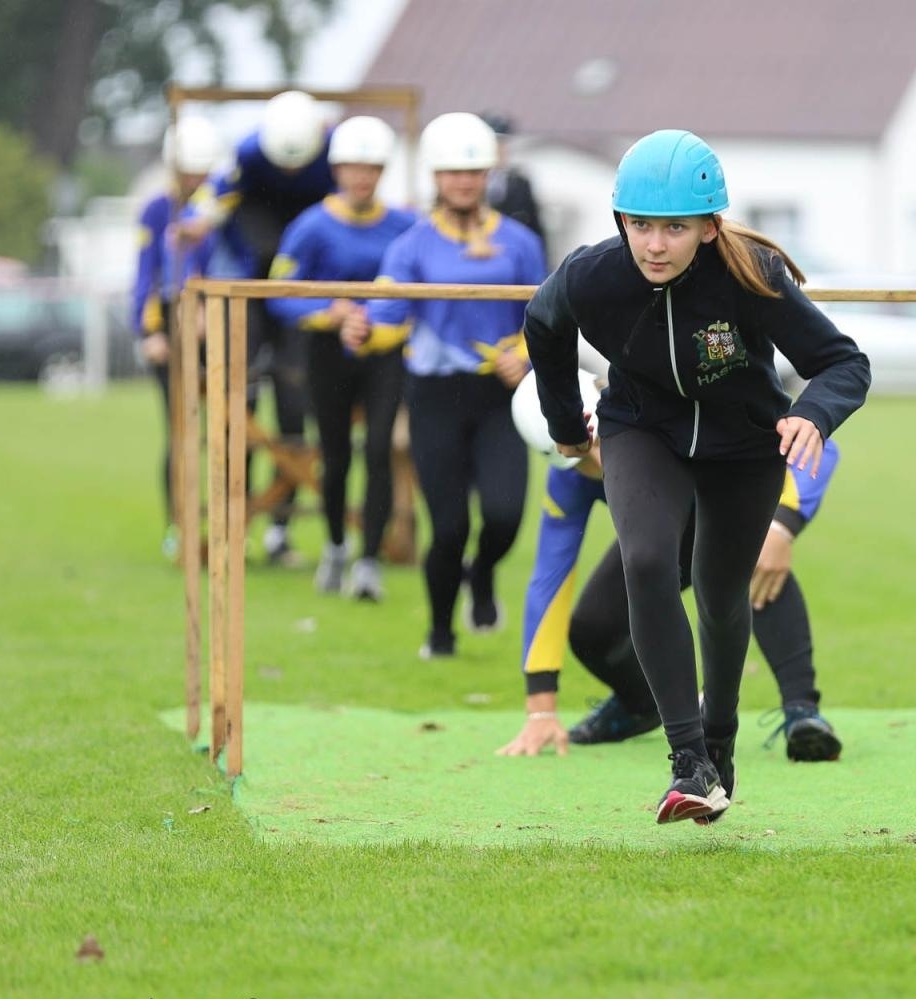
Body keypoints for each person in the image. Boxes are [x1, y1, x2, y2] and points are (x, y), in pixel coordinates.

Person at [523, 129, 870, 825]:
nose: (654, 244)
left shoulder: (754, 274)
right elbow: (543, 325)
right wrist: (566, 426)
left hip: (744, 447)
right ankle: (688, 761)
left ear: (709, 227)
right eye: (640, 225)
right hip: (640, 431)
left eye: (675, 228)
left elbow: (845, 364)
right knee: (646, 559)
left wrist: (812, 415)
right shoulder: (593, 276)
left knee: (718, 595)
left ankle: (721, 742)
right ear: (620, 220)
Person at [499, 392, 846, 766]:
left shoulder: (672, 410)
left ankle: (802, 712)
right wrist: (541, 709)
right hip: (660, 537)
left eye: (601, 442)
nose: (600, 459)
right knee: (591, 627)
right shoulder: (566, 484)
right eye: (584, 456)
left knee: (749, 560)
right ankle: (639, 707)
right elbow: (550, 580)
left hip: (728, 513)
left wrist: (783, 526)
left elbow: (823, 450)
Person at [342, 112, 547, 657]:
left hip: (501, 397)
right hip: (435, 396)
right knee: (449, 526)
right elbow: (385, 322)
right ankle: (439, 633)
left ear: (487, 174)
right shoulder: (410, 247)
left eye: (474, 172)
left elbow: (546, 319)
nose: (464, 181)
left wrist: (522, 355)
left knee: (504, 517)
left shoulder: (521, 242)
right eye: (453, 172)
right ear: (435, 176)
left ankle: (480, 577)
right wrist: (360, 331)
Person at [179, 90, 337, 565]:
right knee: (239, 410)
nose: (289, 173)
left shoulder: (335, 156)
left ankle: (280, 531)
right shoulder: (247, 153)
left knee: (293, 407)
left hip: (297, 291)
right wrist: (196, 223)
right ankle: (234, 525)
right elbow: (212, 196)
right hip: (247, 283)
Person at [268, 115, 418, 602]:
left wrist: (380, 316)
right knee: (333, 455)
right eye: (353, 167)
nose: (362, 177)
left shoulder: (404, 224)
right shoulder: (310, 226)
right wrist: (328, 312)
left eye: (372, 167)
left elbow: (420, 281)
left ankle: (369, 561)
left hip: (384, 351)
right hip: (327, 352)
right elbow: (278, 293)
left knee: (379, 450)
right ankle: (335, 545)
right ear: (336, 169)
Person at [132, 115, 219, 560]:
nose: (194, 179)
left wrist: (209, 307)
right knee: (180, 430)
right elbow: (145, 272)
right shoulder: (156, 210)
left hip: (218, 320)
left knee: (230, 427)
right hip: (169, 324)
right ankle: (177, 522)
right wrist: (150, 332)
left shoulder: (219, 208)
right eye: (188, 170)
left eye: (201, 171)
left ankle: (230, 523)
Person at [480, 113, 545, 251]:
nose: (499, 150)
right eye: (494, 143)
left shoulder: (519, 184)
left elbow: (535, 227)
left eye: (503, 144)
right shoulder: (467, 184)